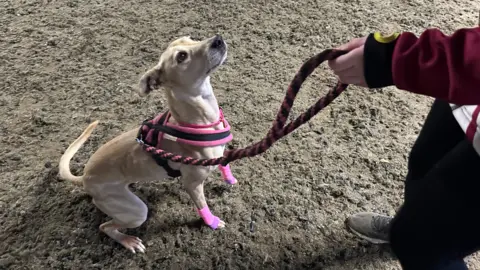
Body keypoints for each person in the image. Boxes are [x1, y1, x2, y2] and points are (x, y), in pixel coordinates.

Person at [327, 24, 480, 270]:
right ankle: (413, 219)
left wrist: (397, 59)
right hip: (471, 81)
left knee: (419, 245)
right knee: (424, 162)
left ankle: (419, 237)